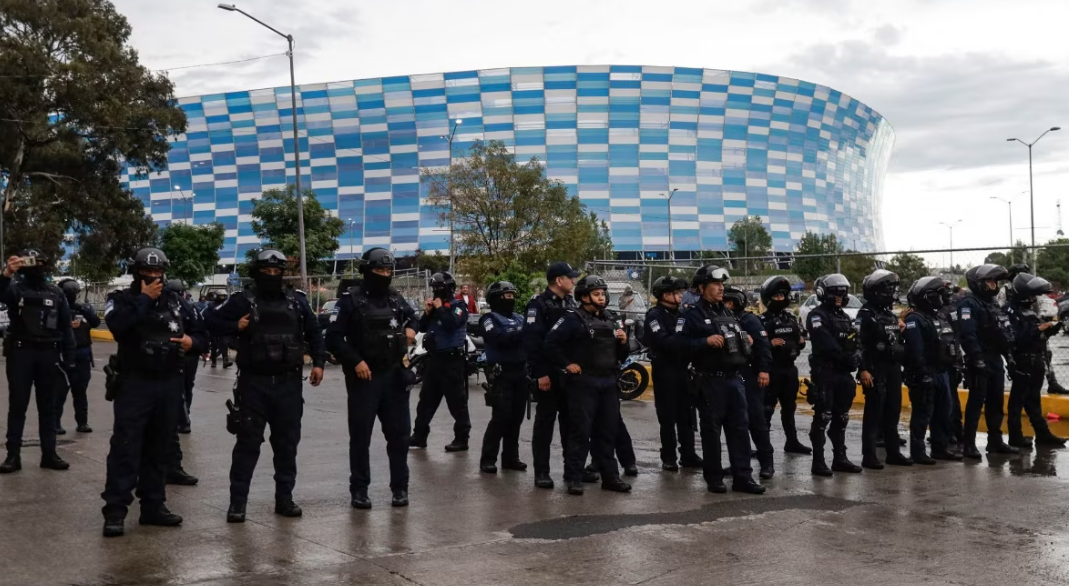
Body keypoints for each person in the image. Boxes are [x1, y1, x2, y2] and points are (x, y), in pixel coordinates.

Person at [206, 249, 326, 522]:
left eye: (276, 272)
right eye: (266, 272)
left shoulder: (296, 302)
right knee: (247, 445)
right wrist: (236, 325)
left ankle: (284, 499)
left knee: (286, 446)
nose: (272, 276)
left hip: (289, 385)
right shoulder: (242, 300)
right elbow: (210, 320)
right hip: (254, 385)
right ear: (256, 272)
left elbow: (314, 331)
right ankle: (238, 504)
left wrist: (318, 362)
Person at [101, 247, 208, 537]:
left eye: (157, 273)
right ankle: (115, 512)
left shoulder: (178, 302)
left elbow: (202, 335)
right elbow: (118, 327)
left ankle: (153, 506)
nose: (152, 277)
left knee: (159, 448)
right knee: (125, 447)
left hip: (169, 383)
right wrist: (144, 300)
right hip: (135, 383)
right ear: (135, 272)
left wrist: (191, 342)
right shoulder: (120, 299)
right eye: (146, 273)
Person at [326, 248, 417, 509]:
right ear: (367, 270)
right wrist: (355, 361)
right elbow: (332, 337)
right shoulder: (350, 300)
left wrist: (411, 328)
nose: (384, 275)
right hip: (364, 379)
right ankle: (360, 490)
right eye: (379, 270)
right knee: (361, 437)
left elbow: (413, 318)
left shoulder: (395, 298)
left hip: (394, 376)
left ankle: (400, 488)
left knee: (399, 437)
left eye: (388, 271)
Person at [680, 265, 765, 495]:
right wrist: (704, 342)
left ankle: (743, 477)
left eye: (722, 285)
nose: (720, 289)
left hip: (735, 380)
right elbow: (679, 346)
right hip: (710, 381)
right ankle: (714, 477)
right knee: (712, 432)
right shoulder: (692, 314)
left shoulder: (728, 313)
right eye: (716, 284)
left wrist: (745, 338)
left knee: (739, 429)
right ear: (702, 287)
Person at [544, 275, 632, 495]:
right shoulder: (572, 317)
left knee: (608, 431)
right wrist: (567, 364)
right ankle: (574, 477)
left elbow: (620, 354)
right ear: (584, 297)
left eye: (603, 293)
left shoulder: (610, 318)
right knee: (580, 432)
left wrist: (623, 342)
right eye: (596, 294)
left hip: (608, 381)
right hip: (584, 383)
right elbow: (550, 343)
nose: (601, 298)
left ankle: (610, 477)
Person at [0, 250, 76, 474]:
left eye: (41, 262)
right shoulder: (15, 289)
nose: (37, 266)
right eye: (32, 262)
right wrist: (6, 274)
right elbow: (1, 294)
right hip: (21, 353)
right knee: (18, 406)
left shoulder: (56, 293)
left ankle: (49, 454)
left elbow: (66, 326)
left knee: (48, 407)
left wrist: (70, 359)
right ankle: (13, 455)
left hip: (49, 354)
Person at [524, 262, 580, 489]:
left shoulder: (571, 303)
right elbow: (532, 341)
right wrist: (541, 374)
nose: (574, 281)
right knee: (545, 423)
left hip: (568, 374)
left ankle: (572, 469)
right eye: (570, 277)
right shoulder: (538, 305)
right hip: (548, 374)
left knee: (571, 423)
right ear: (559, 280)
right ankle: (542, 471)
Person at [957, 264, 1018, 459]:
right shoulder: (969, 303)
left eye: (995, 281)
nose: (994, 285)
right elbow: (967, 334)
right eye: (990, 281)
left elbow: (1001, 331)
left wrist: (1008, 355)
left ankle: (995, 441)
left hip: (995, 359)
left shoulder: (992, 303)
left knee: (996, 401)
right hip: (979, 359)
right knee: (976, 402)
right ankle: (969, 445)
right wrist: (976, 358)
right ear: (979, 283)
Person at [806, 274, 863, 476]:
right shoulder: (816, 315)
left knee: (842, 417)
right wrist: (845, 357)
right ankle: (818, 461)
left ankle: (840, 458)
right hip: (826, 373)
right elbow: (825, 343)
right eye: (836, 292)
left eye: (843, 292)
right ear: (824, 293)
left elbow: (855, 341)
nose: (840, 295)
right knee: (823, 416)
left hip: (843, 374)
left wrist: (857, 355)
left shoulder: (844, 317)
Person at [903, 277, 964, 464]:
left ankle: (940, 447)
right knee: (923, 413)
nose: (941, 297)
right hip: (925, 372)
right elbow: (915, 350)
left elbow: (950, 341)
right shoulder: (915, 319)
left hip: (942, 371)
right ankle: (918, 451)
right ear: (927, 297)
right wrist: (922, 373)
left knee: (944, 411)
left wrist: (956, 364)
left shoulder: (939, 316)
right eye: (937, 294)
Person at [645, 275, 703, 471]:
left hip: (684, 370)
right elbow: (662, 340)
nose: (680, 296)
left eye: (680, 292)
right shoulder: (655, 316)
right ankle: (669, 456)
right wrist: (683, 342)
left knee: (686, 415)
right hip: (665, 370)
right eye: (676, 293)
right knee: (668, 416)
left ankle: (688, 454)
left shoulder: (683, 314)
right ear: (664, 295)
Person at [1005, 272, 1067, 449]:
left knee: (1034, 401)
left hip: (1037, 361)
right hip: (1023, 362)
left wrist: (1051, 329)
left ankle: (1042, 434)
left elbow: (1037, 336)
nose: (1033, 298)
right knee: (1017, 403)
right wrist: (1040, 328)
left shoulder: (1029, 311)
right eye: (1030, 295)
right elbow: (1016, 338)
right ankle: (1015, 437)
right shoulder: (1011, 312)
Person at [856, 269, 910, 469]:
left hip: (893, 367)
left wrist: (901, 331)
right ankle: (869, 456)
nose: (893, 292)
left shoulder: (888, 315)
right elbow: (858, 345)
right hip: (875, 368)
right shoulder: (866, 314)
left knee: (893, 410)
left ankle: (893, 453)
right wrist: (863, 370)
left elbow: (895, 341)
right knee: (874, 413)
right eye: (889, 288)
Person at [411, 271, 471, 452]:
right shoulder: (438, 307)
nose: (437, 292)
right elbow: (421, 327)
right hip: (435, 360)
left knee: (456, 403)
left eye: (439, 288)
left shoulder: (458, 305)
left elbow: (451, 323)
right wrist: (429, 312)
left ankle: (462, 439)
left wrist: (440, 308)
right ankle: (419, 436)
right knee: (426, 401)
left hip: (452, 361)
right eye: (435, 288)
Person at [723, 285, 775, 479]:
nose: (725, 305)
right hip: (733, 375)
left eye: (728, 301)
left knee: (756, 419)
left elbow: (763, 346)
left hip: (752, 375)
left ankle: (766, 463)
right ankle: (738, 464)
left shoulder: (749, 320)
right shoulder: (724, 320)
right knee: (736, 423)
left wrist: (764, 370)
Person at [478, 281, 529, 473]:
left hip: (521, 372)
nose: (512, 299)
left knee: (516, 418)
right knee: (500, 417)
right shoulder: (489, 319)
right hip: (502, 374)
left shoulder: (518, 318)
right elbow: (498, 338)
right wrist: (523, 333)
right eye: (507, 295)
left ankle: (510, 458)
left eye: (513, 295)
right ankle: (488, 459)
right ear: (496, 298)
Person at [759, 276, 811, 454]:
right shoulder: (762, 320)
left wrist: (800, 342)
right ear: (768, 298)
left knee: (789, 408)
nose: (781, 300)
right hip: (772, 370)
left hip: (790, 369)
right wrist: (769, 343)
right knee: (767, 409)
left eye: (783, 296)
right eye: (777, 296)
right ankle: (763, 446)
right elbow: (754, 345)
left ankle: (792, 442)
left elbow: (801, 340)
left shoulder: (790, 318)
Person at [163, 279, 200, 488]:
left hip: (182, 359)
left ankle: (174, 467)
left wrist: (192, 343)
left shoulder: (185, 307)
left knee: (182, 392)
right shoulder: (139, 304)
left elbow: (200, 333)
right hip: (147, 372)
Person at [55, 278, 99, 435]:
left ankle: (82, 422)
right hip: (64, 355)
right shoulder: (57, 309)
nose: (73, 296)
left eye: (75, 293)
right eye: (70, 293)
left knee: (80, 391)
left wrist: (84, 310)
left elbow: (96, 322)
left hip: (83, 354)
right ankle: (55, 424)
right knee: (59, 392)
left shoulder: (83, 309)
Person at [939, 281, 966, 443]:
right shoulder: (953, 309)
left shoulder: (944, 311)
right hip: (952, 358)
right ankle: (953, 430)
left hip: (949, 359)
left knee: (948, 398)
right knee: (950, 397)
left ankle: (950, 431)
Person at [207, 291, 233, 368]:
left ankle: (225, 361)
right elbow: (208, 316)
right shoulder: (211, 305)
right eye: (221, 296)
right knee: (214, 345)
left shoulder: (227, 305)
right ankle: (214, 361)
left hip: (223, 328)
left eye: (224, 296)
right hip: (214, 328)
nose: (222, 298)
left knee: (224, 344)